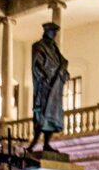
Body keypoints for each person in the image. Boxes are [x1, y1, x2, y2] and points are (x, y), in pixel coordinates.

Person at [26, 22, 70, 153]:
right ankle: (33, 143)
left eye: (55, 32)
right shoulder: (39, 46)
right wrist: (43, 77)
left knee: (52, 116)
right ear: (46, 32)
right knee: (42, 116)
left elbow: (61, 62)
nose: (55, 35)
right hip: (45, 86)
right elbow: (36, 65)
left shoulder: (54, 48)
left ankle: (46, 144)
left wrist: (64, 72)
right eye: (53, 32)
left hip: (55, 85)